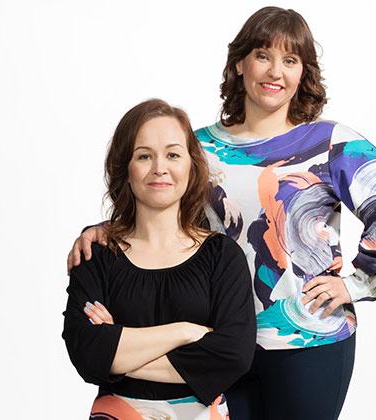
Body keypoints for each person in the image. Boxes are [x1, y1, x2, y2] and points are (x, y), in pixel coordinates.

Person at [67, 7, 376, 420]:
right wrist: (104, 231)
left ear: (303, 73)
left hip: (307, 341)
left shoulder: (330, 143)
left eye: (290, 60)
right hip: (212, 340)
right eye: (263, 55)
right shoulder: (197, 147)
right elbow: (155, 202)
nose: (275, 71)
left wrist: (358, 283)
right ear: (240, 63)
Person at [62, 99, 256, 419]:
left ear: (191, 166)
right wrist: (185, 332)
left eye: (173, 155)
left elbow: (233, 356)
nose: (159, 168)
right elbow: (85, 352)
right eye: (144, 156)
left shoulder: (222, 256)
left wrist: (117, 351)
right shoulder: (95, 254)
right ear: (125, 169)